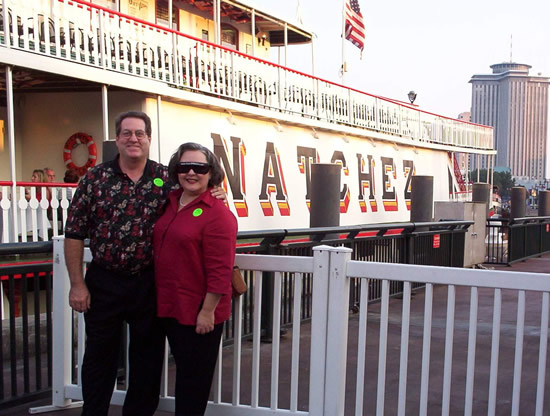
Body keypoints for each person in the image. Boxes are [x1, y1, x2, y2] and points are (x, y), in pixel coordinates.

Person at [64, 111, 226, 416]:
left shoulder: (168, 178)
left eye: (139, 133)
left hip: (149, 284)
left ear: (149, 138)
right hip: (104, 282)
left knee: (147, 360)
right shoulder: (94, 179)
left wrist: (217, 194)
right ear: (118, 139)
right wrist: (77, 284)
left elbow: (198, 197)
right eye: (127, 133)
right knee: (99, 358)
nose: (133, 139)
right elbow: (73, 234)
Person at [153, 142, 237, 416]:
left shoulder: (218, 213)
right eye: (184, 166)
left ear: (211, 172)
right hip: (166, 305)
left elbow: (220, 269)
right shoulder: (170, 201)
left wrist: (207, 312)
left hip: (197, 311)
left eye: (199, 167)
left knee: (193, 384)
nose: (191, 172)